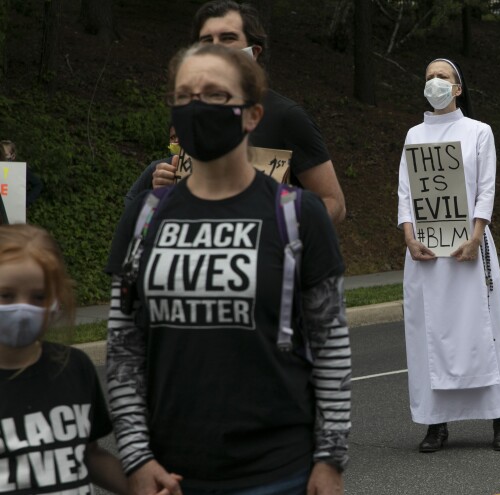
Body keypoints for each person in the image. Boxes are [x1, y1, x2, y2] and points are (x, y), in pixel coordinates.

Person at [105, 44, 349, 495]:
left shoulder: (299, 214)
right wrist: (137, 459)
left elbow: (330, 344)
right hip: (172, 478)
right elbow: (124, 352)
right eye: (184, 97)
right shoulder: (144, 217)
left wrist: (330, 460)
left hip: (280, 473)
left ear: (252, 114)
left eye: (215, 95)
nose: (196, 107)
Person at [397, 57, 500, 453]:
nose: (434, 82)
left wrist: (477, 234)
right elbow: (405, 193)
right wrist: (409, 237)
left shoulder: (478, 132)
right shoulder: (414, 135)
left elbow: (487, 187)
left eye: (443, 77)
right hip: (426, 254)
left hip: (469, 247)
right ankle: (436, 424)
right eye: (429, 76)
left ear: (458, 88)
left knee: (483, 332)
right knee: (429, 338)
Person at [141, 0, 346, 224]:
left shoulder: (287, 117)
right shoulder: (189, 114)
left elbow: (334, 203)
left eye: (228, 38)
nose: (216, 47)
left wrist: (285, 232)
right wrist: (165, 184)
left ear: (254, 52)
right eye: (206, 40)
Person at [0, 224, 131, 494]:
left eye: (38, 297)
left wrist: (142, 487)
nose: (23, 309)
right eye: (6, 295)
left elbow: (90, 454)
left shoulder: (75, 367)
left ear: (57, 299)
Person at [125, 125, 177, 208]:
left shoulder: (201, 169)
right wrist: (156, 195)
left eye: (181, 135)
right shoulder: (157, 168)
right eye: (172, 137)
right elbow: (131, 197)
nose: (176, 141)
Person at [1, 140, 44, 207]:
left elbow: (38, 184)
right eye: (1, 155)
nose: (3, 158)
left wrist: (26, 201)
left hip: (14, 211)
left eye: (5, 155)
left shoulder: (20, 171)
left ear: (13, 156)